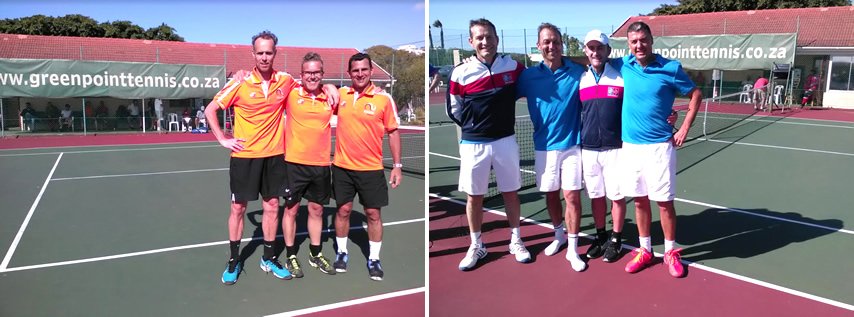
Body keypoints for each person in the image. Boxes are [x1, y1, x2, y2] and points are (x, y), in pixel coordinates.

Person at [206, 30, 300, 285]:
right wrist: (222, 138)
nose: (264, 57)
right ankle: (235, 260)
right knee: (238, 208)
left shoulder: (286, 80)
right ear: (253, 54)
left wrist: (329, 88)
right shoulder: (240, 82)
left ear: (275, 53)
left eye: (269, 52)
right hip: (244, 157)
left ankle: (268, 258)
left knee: (272, 207)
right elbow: (210, 109)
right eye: (260, 52)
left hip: (274, 157)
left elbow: (309, 88)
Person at [613, 21, 702, 278]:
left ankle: (671, 252)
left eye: (643, 40)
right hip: (630, 147)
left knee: (664, 203)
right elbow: (595, 57)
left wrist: (684, 126)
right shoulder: (622, 65)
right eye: (634, 41)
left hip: (660, 147)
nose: (639, 45)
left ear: (651, 40)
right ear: (628, 44)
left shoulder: (670, 68)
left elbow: (696, 94)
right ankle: (645, 250)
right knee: (640, 201)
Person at [447, 18, 530, 271]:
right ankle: (477, 245)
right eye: (479, 38)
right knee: (475, 197)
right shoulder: (460, 72)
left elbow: (527, 88)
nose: (485, 41)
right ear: (471, 42)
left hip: (506, 140)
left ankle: (516, 240)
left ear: (497, 39)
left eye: (489, 36)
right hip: (473, 144)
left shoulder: (513, 67)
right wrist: (475, 128)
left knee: (510, 193)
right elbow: (455, 110)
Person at [516, 23, 586, 271]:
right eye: (546, 42)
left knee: (572, 197)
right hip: (543, 146)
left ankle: (574, 250)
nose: (551, 46)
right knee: (551, 195)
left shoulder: (578, 72)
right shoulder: (527, 77)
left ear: (561, 45)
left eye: (556, 41)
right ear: (538, 46)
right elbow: (501, 98)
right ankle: (559, 235)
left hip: (572, 146)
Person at [332, 52, 402, 281]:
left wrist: (397, 165)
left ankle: (373, 258)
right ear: (349, 73)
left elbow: (393, 132)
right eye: (355, 70)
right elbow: (315, 92)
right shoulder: (341, 94)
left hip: (371, 169)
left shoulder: (383, 99)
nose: (360, 74)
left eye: (364, 69)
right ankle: (342, 252)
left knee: (372, 214)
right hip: (342, 167)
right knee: (343, 211)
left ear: (371, 71)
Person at [279, 52, 337, 278]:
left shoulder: (331, 97)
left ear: (322, 74)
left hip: (321, 165)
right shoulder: (290, 93)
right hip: (293, 164)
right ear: (301, 74)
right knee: (291, 210)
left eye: (316, 72)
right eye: (308, 72)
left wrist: (331, 87)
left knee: (316, 209)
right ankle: (291, 255)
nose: (312, 76)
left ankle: (315, 253)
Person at [579, 30, 628, 264]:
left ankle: (616, 239)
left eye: (600, 48)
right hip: (588, 149)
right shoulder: (580, 78)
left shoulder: (621, 76)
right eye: (591, 48)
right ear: (586, 51)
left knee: (616, 197)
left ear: (608, 50)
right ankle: (600, 236)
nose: (596, 52)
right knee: (597, 196)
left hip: (615, 148)